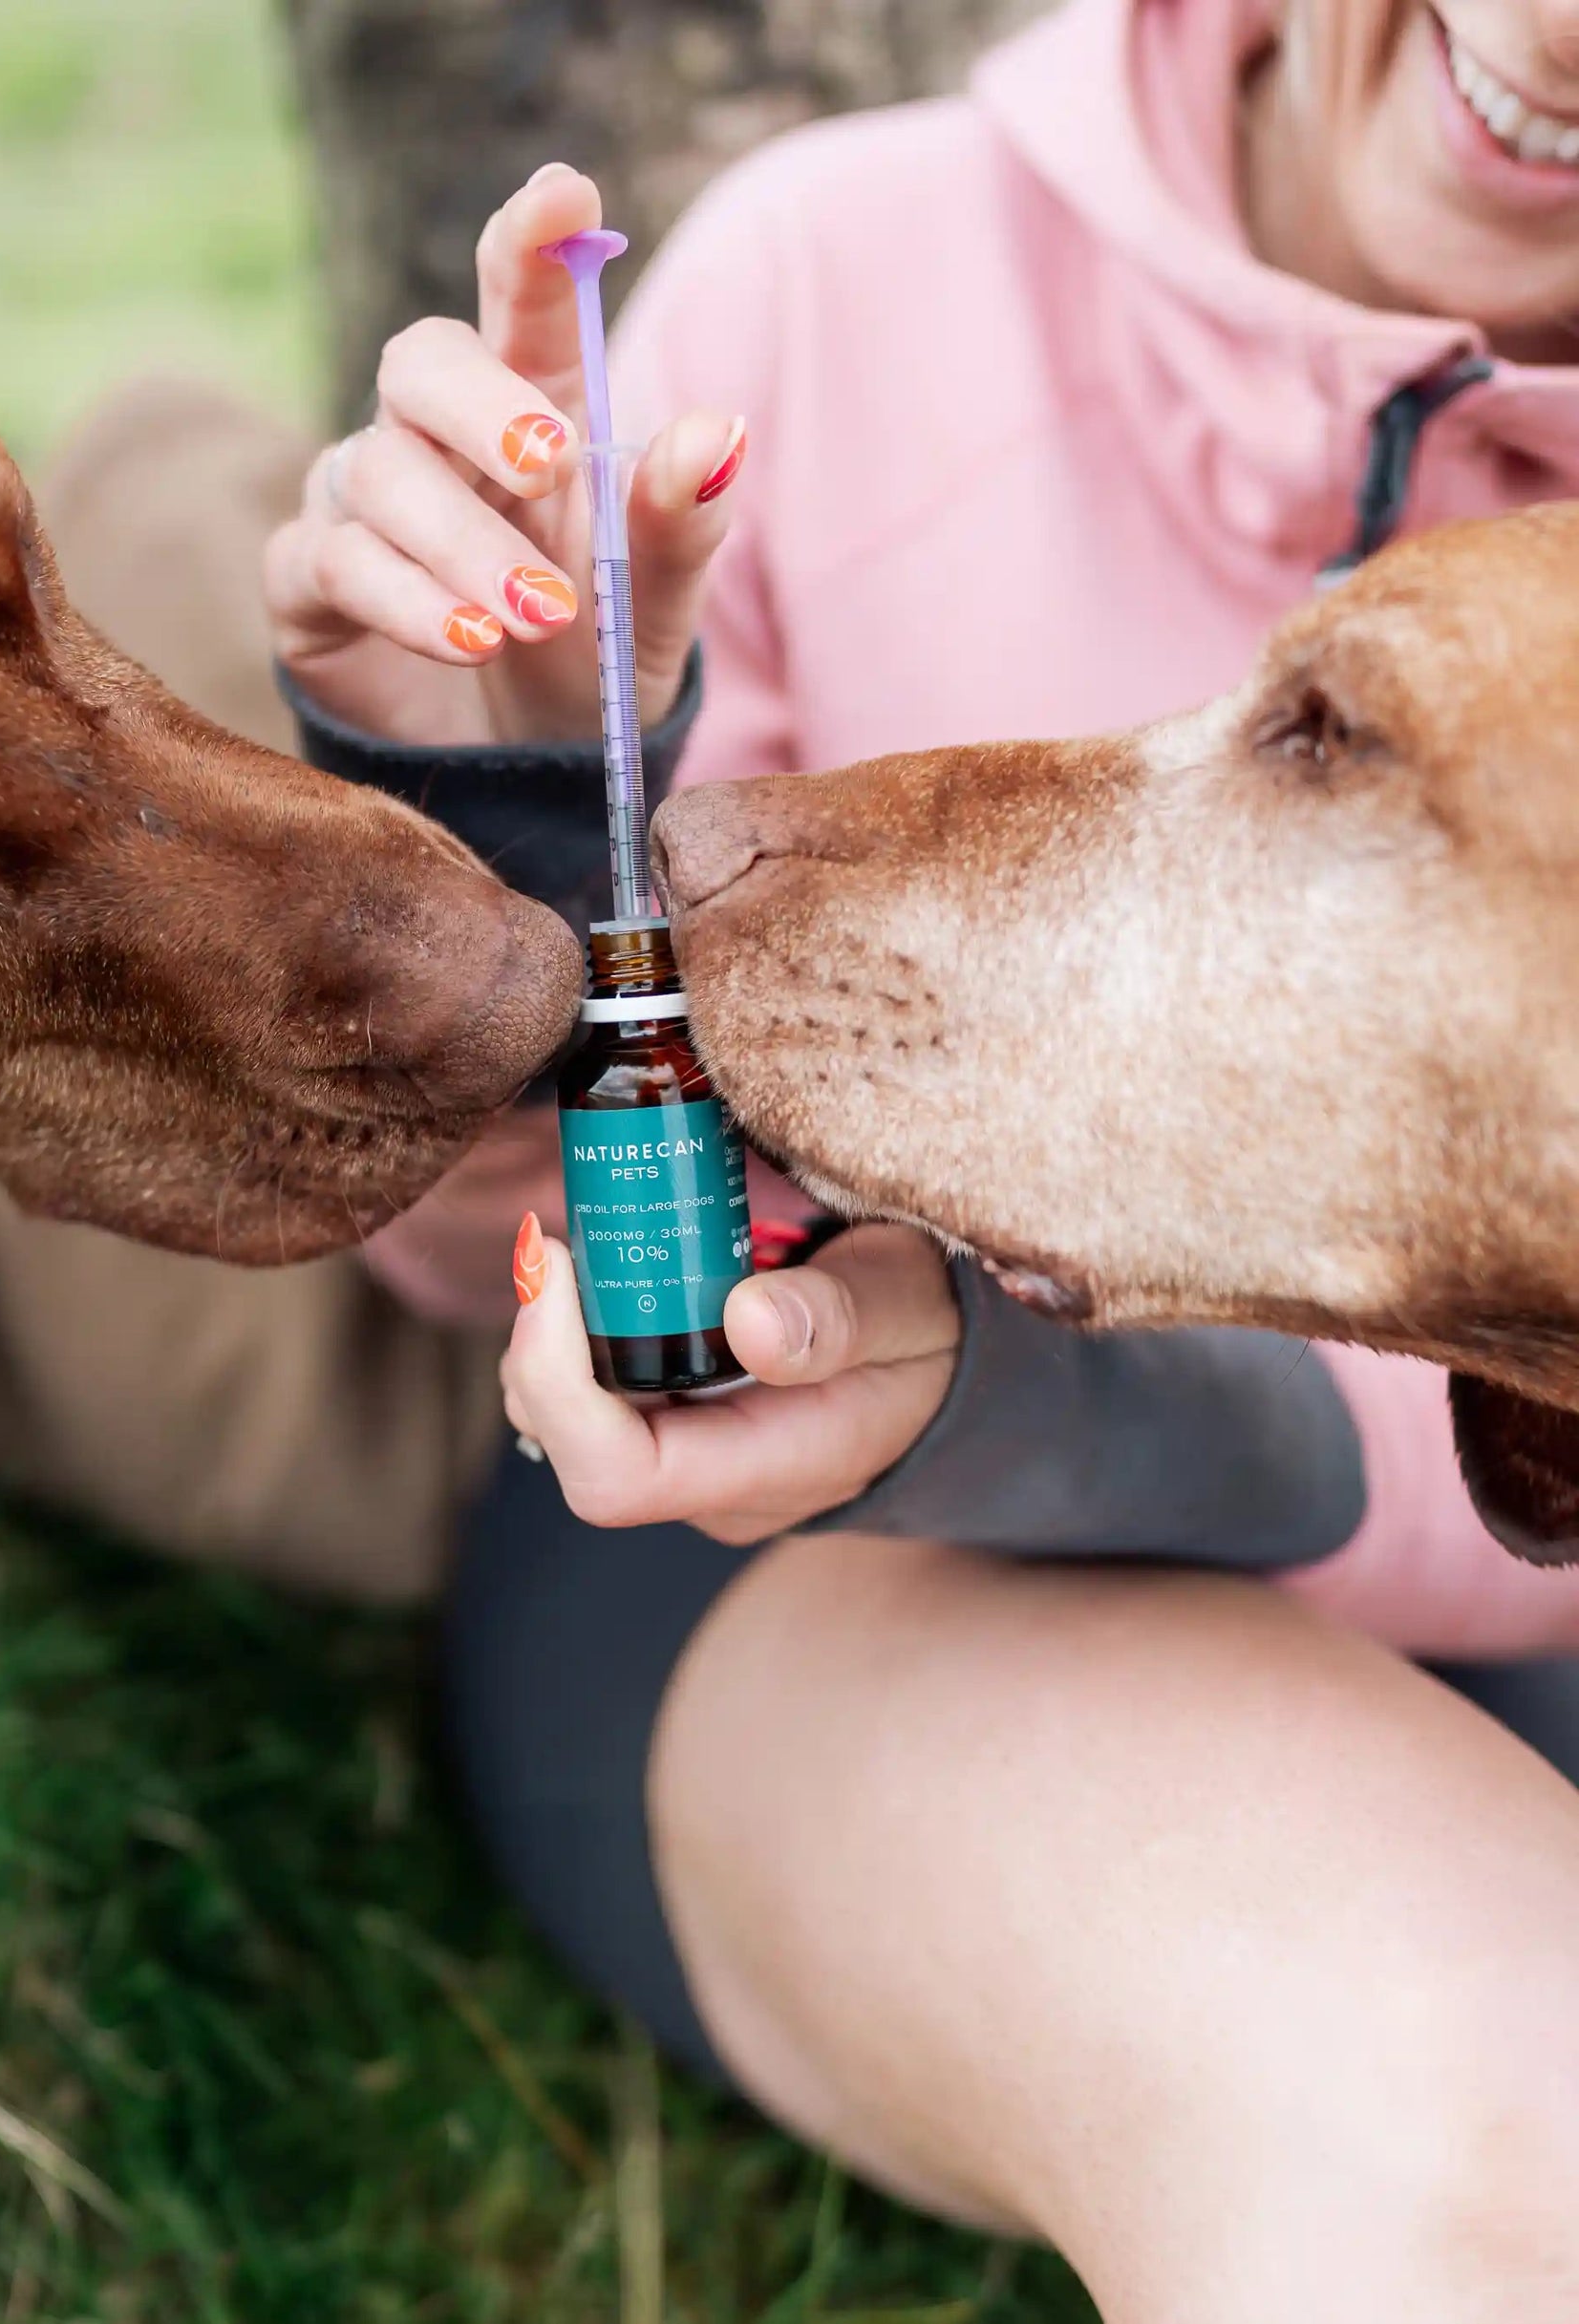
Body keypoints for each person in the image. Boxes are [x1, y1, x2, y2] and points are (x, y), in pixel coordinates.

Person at [263, 0, 1579, 2309]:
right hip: (834, 1549)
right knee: (1495, 2136)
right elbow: (503, 1251)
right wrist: (487, 797)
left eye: (1328, 746)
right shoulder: (836, 270)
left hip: (1501, 1591)